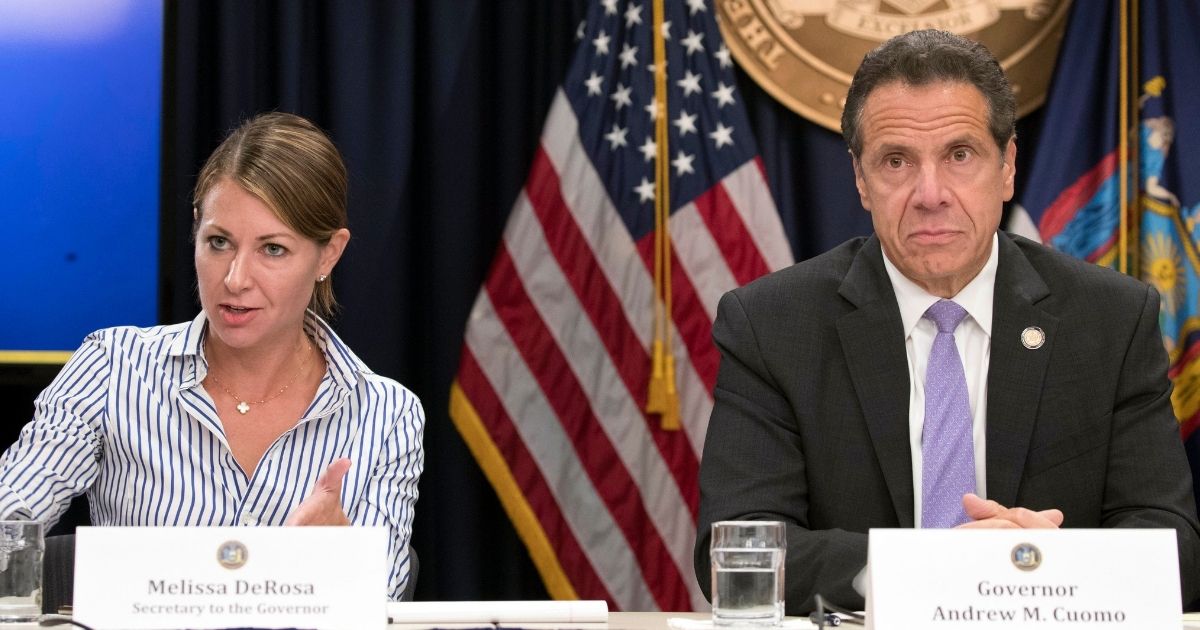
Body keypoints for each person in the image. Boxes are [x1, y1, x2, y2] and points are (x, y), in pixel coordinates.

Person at [694, 29, 1200, 613]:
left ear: (1007, 167)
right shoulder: (772, 326)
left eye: (960, 155)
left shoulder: (1111, 320)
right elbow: (739, 550)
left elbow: (1174, 547)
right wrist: (935, 567)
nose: (930, 194)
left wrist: (1042, 568)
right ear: (860, 179)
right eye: (896, 161)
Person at [0, 112, 424, 600]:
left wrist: (340, 561)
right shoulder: (113, 367)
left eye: (273, 249)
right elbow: (12, 519)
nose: (235, 279)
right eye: (219, 243)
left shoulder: (387, 414)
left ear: (328, 254)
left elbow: (380, 605)